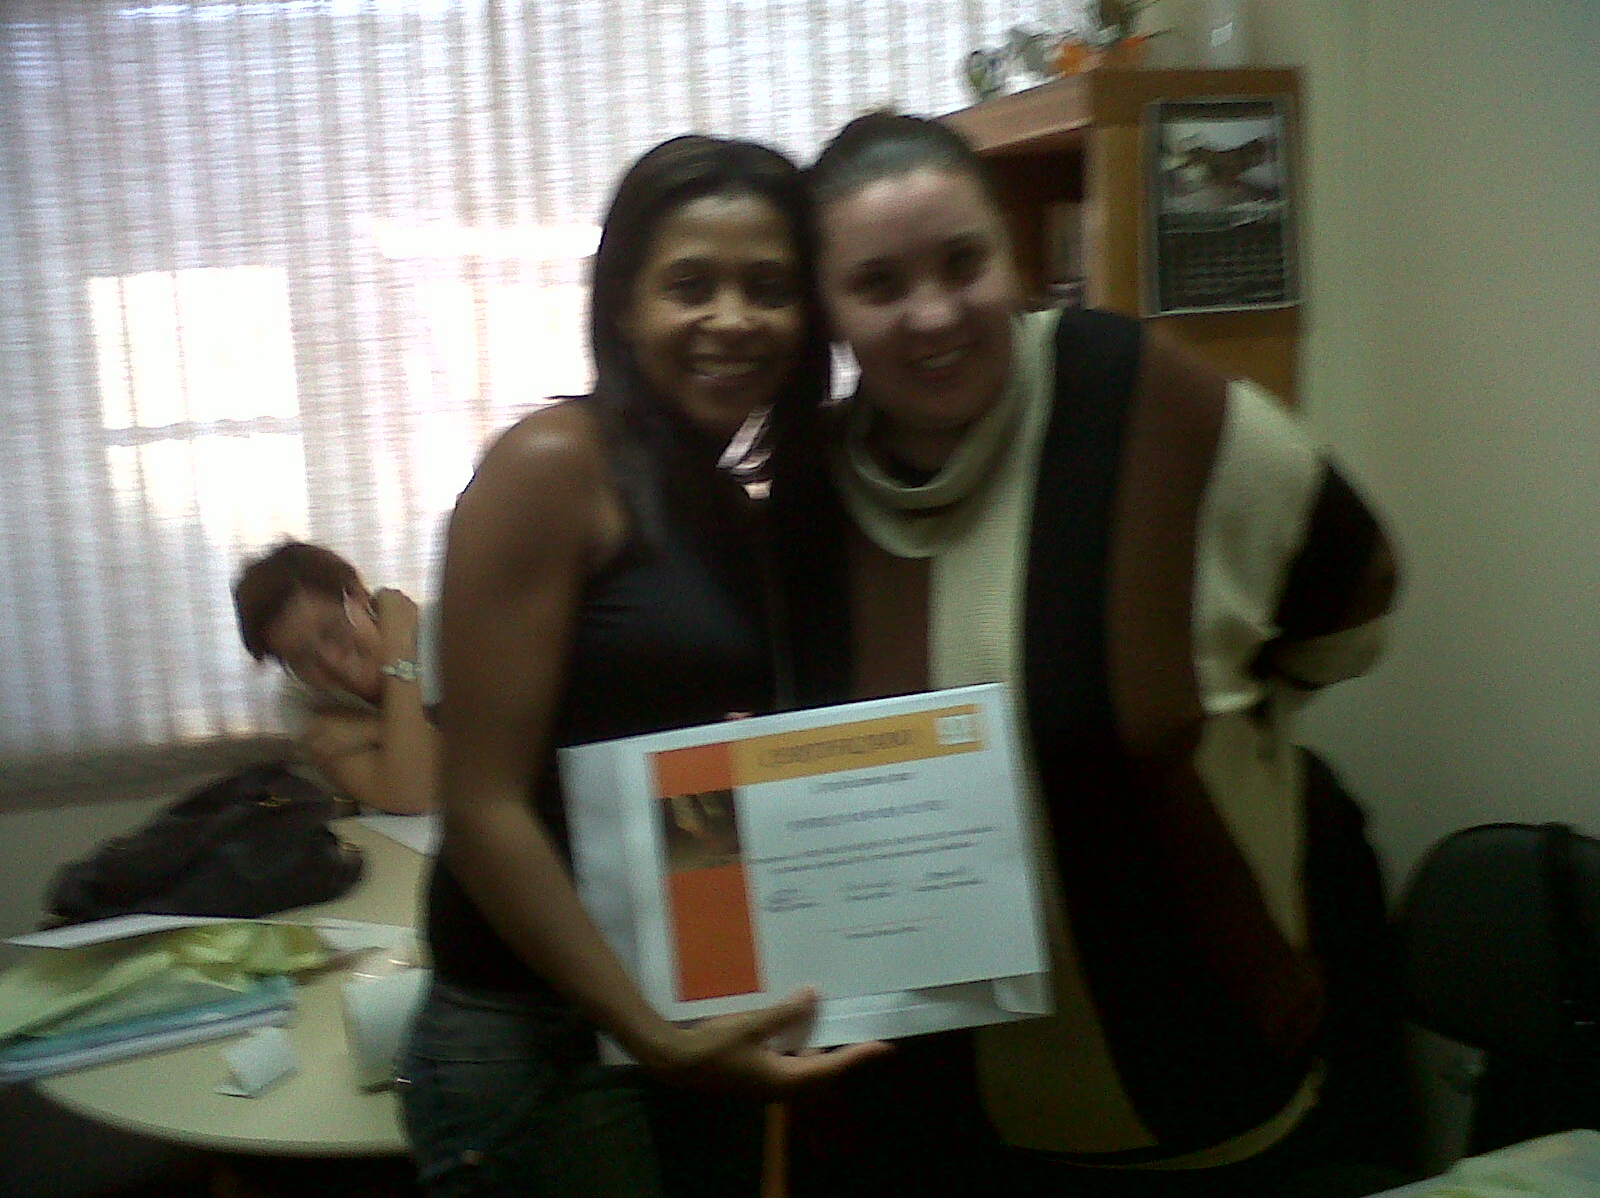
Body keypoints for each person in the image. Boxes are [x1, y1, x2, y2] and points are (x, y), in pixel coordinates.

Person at [790, 111, 1402, 1197]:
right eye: (877, 285)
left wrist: (1235, 710)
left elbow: (1351, 591)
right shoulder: (804, 498)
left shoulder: (1149, 404)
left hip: (1199, 1106)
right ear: (828, 312)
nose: (932, 313)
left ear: (1014, 259)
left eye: (963, 263)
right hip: (927, 1129)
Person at [399, 134, 884, 1198]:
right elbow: (481, 811)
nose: (732, 319)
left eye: (769, 289)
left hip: (680, 1017)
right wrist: (649, 1032)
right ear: (622, 306)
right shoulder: (553, 466)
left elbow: (693, 779)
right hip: (547, 1038)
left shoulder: (727, 502)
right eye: (689, 286)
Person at [233, 540, 437, 815]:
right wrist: (378, 727)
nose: (332, 661)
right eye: (302, 658)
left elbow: (495, 761)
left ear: (359, 596)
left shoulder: (444, 634)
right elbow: (409, 796)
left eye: (333, 631)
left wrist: (400, 645)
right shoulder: (301, 701)